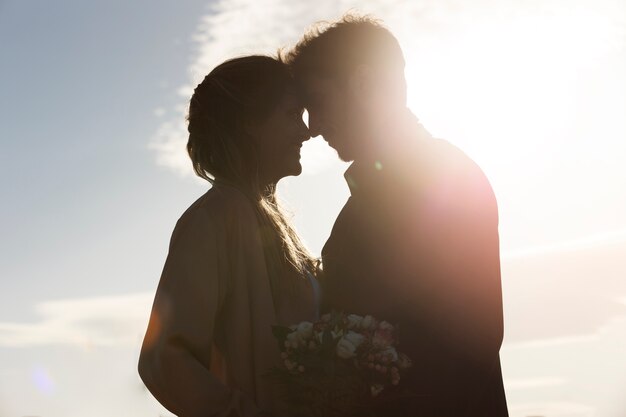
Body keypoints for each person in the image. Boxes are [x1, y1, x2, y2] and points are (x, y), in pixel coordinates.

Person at [284, 15, 508, 416]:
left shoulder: (445, 177)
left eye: (318, 102)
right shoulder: (358, 206)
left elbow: (469, 340)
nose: (314, 127)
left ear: (364, 83)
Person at [138, 55, 320, 417]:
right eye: (291, 115)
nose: (306, 131)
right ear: (249, 124)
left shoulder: (270, 222)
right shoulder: (214, 218)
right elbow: (164, 359)